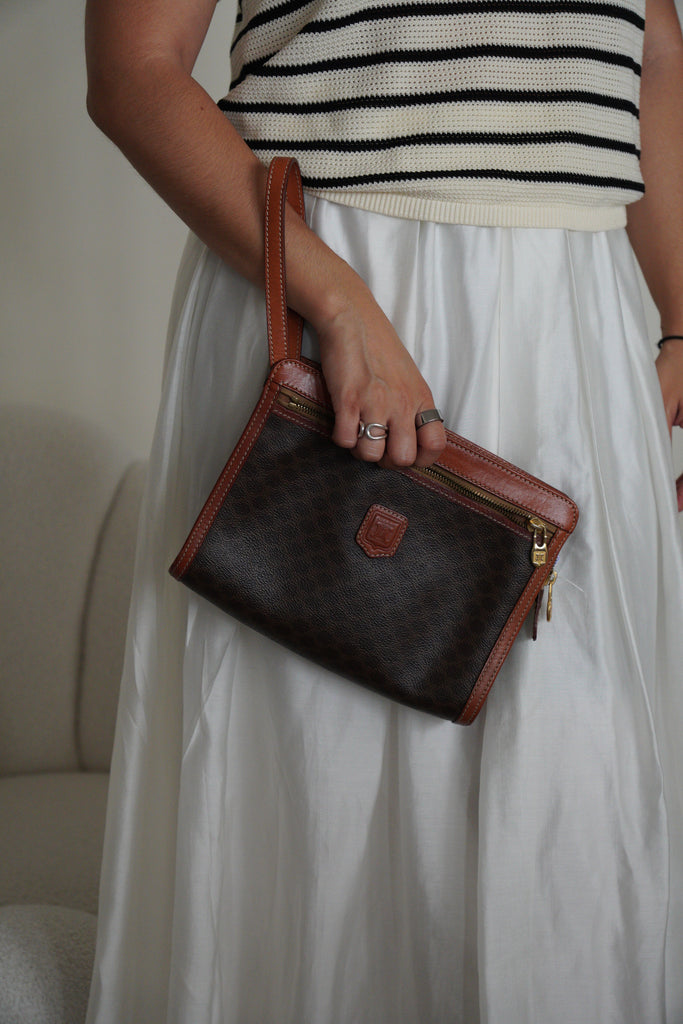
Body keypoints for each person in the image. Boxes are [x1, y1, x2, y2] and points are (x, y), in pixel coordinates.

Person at [84, 1, 683, 1021]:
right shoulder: (337, 302)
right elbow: (134, 69)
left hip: (573, 326)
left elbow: (654, 45)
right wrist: (339, 304)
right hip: (336, 292)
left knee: (575, 811)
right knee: (323, 801)